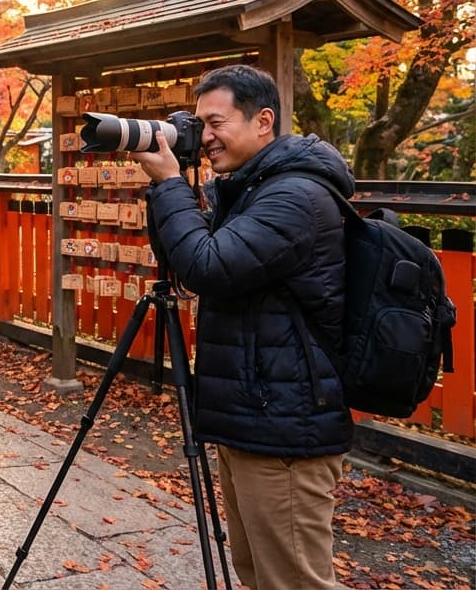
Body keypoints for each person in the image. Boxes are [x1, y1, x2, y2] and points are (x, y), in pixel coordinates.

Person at [129, 64, 353, 590]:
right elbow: (186, 259)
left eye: (216, 123)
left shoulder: (295, 196)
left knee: (293, 582)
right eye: (199, 124)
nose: (204, 137)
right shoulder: (251, 188)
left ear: (263, 121)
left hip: (285, 426)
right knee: (257, 573)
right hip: (255, 413)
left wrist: (169, 185)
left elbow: (207, 266)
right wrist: (166, 191)